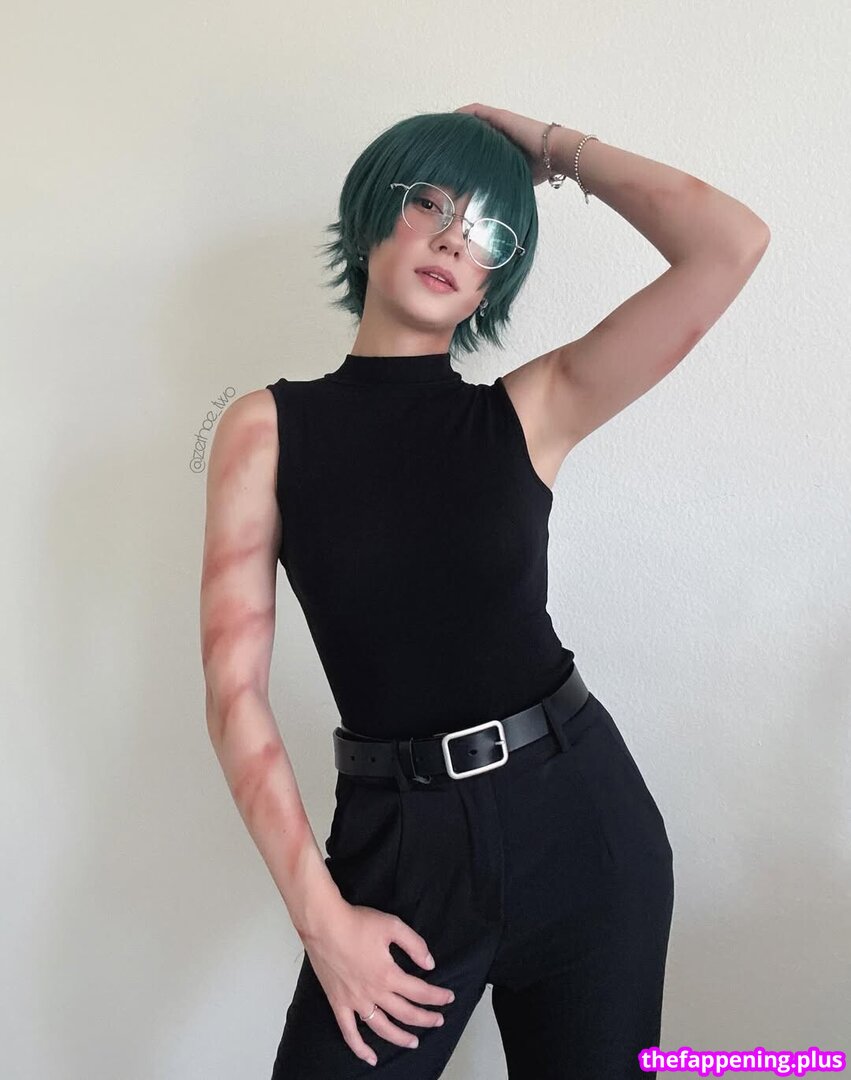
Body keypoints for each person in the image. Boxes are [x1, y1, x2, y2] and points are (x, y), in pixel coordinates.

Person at [199, 106, 770, 1079]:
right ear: (368, 217)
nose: (455, 239)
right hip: (397, 845)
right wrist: (322, 921)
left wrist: (547, 147)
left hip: (582, 824)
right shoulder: (266, 428)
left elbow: (729, 243)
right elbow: (233, 694)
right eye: (429, 202)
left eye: (488, 231)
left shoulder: (535, 409)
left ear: (492, 282)